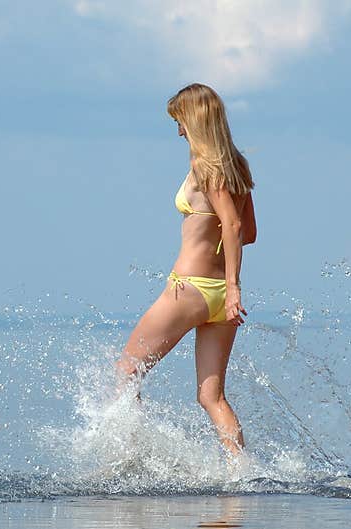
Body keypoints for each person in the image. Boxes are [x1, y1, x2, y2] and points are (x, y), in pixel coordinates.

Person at [114, 82, 256, 457]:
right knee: (212, 397)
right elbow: (250, 232)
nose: (178, 130)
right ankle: (240, 474)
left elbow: (235, 226)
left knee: (125, 374)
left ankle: (135, 462)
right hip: (220, 297)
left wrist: (235, 286)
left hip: (189, 289)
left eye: (180, 121)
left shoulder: (203, 165)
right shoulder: (238, 166)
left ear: (194, 121)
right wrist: (230, 290)